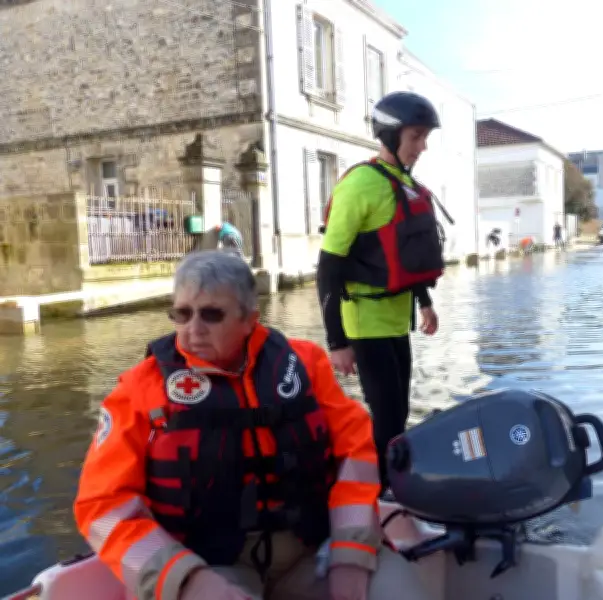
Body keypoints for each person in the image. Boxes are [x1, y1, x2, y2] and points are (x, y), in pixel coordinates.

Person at [73, 250, 433, 600]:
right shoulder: (139, 389)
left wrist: (351, 553)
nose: (192, 329)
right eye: (181, 314)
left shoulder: (305, 365)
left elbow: (355, 452)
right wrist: (185, 580)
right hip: (206, 565)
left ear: (250, 319)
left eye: (212, 315)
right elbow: (102, 505)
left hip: (313, 551)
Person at [316, 91, 451, 492]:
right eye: (415, 136)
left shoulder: (403, 183)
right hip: (364, 320)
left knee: (400, 411)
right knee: (388, 415)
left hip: (395, 317)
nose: (422, 146)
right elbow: (328, 266)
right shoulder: (360, 185)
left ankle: (390, 487)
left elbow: (405, 253)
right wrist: (336, 341)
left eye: (425, 137)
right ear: (390, 135)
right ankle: (378, 497)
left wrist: (425, 302)